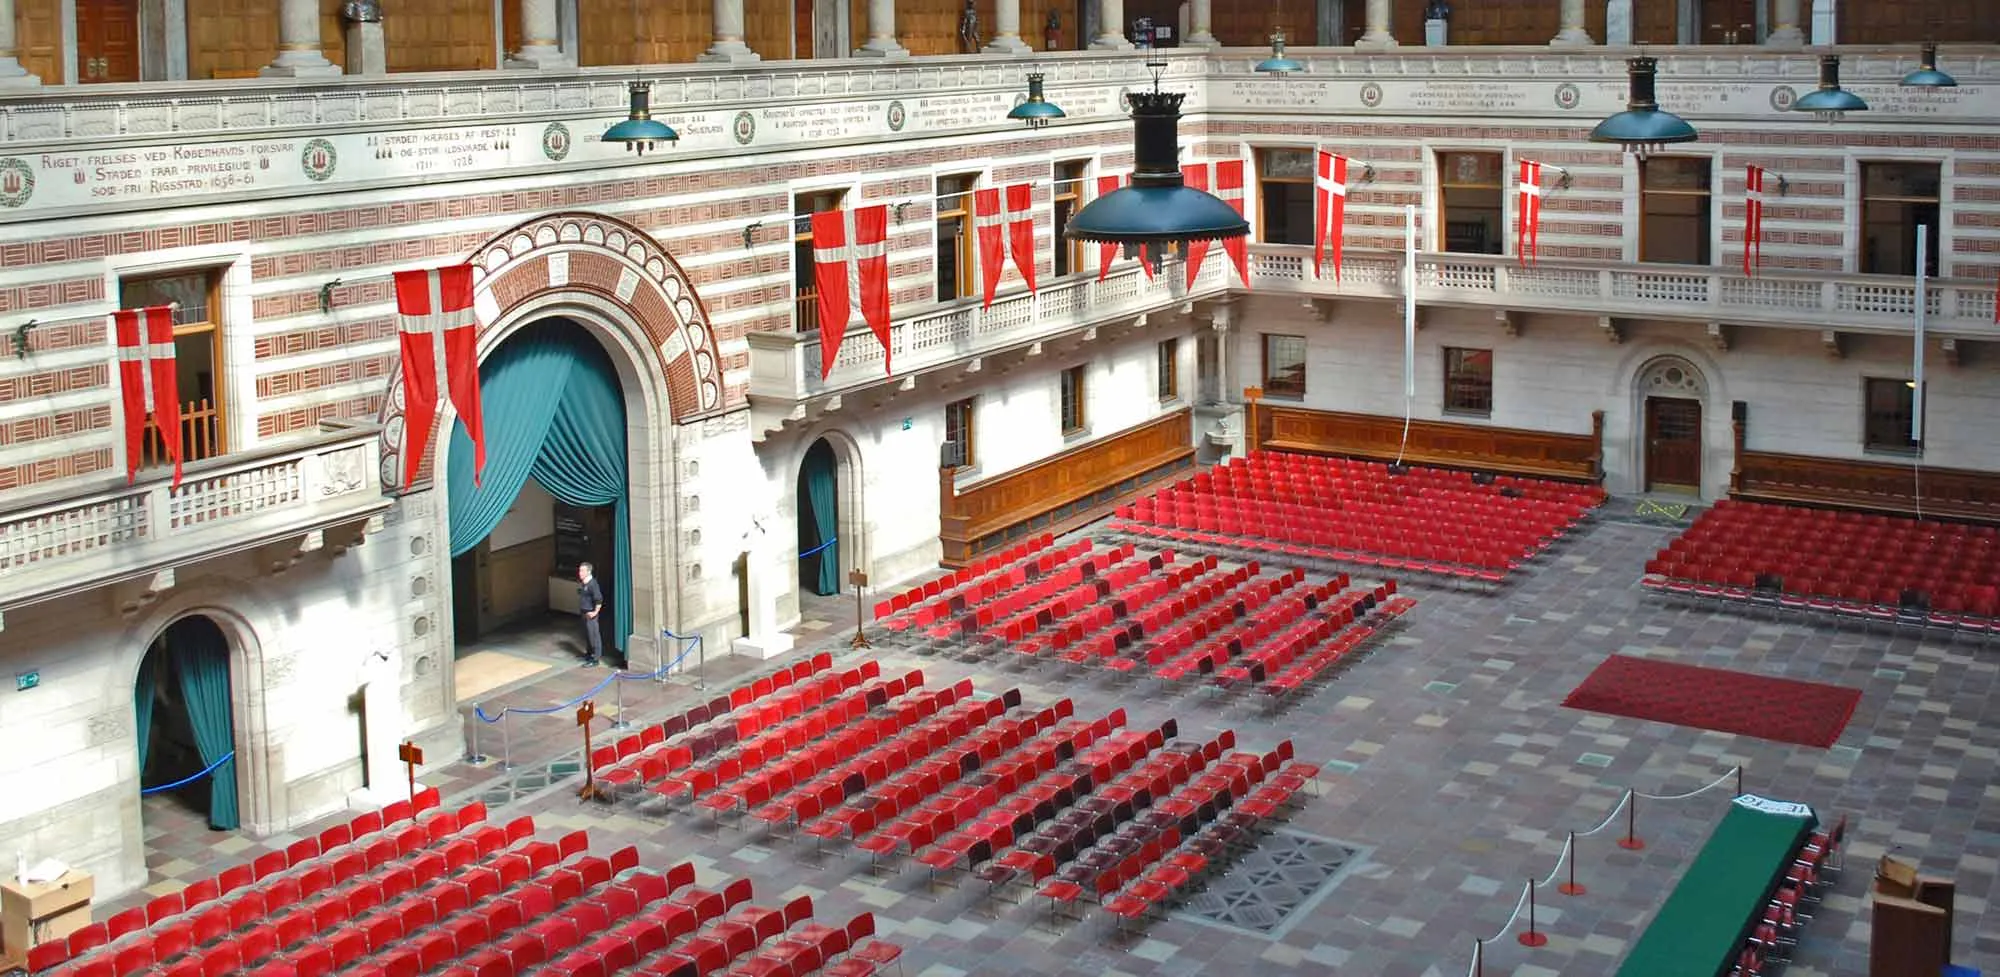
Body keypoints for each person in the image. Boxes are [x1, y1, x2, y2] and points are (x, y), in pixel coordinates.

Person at [577, 562, 605, 667]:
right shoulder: (584, 583)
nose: (580, 573)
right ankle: (588, 655)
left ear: (588, 572)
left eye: (582, 571)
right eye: (580, 570)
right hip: (584, 612)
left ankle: (595, 658)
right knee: (587, 635)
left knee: (594, 636)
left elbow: (599, 599)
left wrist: (595, 612)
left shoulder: (593, 584)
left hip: (590, 614)